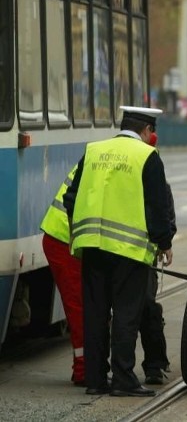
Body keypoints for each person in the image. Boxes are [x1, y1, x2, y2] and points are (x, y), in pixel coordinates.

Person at [64, 106, 174, 397]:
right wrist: (164, 242)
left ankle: (96, 379)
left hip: (92, 246)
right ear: (147, 132)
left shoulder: (94, 150)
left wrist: (81, 230)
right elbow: (157, 206)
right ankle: (124, 380)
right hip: (128, 250)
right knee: (127, 315)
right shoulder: (147, 157)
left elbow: (70, 197)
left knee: (96, 314)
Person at [40, 165, 85, 386]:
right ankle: (83, 369)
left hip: (71, 239)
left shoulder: (102, 156)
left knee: (84, 305)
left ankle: (89, 366)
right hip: (63, 239)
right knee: (80, 306)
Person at [139, 132, 175, 385]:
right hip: (140, 255)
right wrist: (165, 243)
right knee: (146, 310)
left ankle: (103, 372)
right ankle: (153, 366)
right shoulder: (151, 162)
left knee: (116, 313)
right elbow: (164, 212)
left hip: (111, 252)